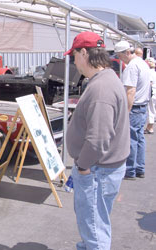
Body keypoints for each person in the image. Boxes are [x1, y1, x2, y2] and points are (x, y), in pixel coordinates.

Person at [65, 32, 130, 250]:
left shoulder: (101, 88)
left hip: (96, 170)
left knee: (94, 228)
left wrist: (83, 166)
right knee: (95, 223)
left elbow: (98, 138)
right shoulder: (107, 80)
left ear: (84, 53)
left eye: (74, 56)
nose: (74, 62)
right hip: (102, 169)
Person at [115, 41, 151, 179]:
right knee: (139, 138)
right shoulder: (142, 63)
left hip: (135, 107)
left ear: (126, 53)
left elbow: (130, 91)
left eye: (119, 55)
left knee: (131, 139)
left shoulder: (132, 67)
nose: (119, 59)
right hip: (142, 106)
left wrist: (126, 110)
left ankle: (130, 170)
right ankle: (139, 167)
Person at [145, 57, 156, 134]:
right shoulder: (154, 72)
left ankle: (150, 126)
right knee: (153, 109)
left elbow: (150, 83)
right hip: (154, 92)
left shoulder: (149, 72)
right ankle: (150, 126)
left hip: (151, 93)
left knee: (150, 109)